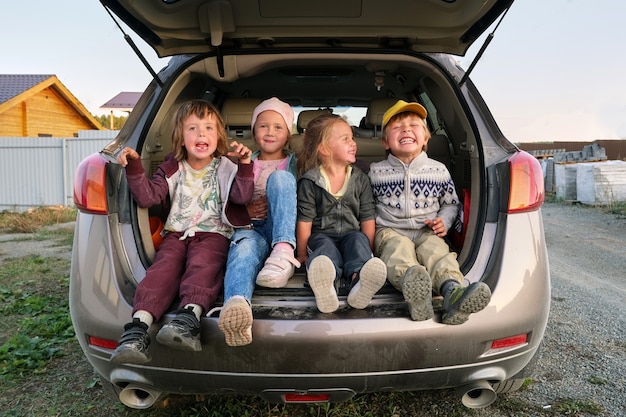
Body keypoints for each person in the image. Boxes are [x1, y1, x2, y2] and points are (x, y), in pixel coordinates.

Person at [110, 99, 254, 364]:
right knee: (161, 270)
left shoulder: (225, 166)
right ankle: (138, 329)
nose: (201, 134)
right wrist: (134, 166)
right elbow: (148, 198)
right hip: (176, 234)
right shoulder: (172, 168)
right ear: (180, 137)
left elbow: (242, 196)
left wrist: (245, 164)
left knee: (204, 265)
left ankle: (188, 318)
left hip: (213, 233)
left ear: (218, 136)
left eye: (209, 128)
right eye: (193, 128)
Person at [368, 100, 491, 324]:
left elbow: (451, 203)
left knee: (437, 252)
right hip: (389, 229)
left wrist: (444, 220)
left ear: (425, 138)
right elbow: (366, 207)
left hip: (428, 229)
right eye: (397, 127)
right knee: (397, 251)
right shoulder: (376, 172)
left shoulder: (438, 170)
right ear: (385, 142)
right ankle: (415, 288)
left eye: (414, 125)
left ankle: (453, 292)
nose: (406, 129)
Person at [214, 97, 300, 347]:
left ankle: (284, 252)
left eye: (278, 127)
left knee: (281, 180)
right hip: (249, 227)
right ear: (253, 130)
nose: (270, 132)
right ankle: (237, 305)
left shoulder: (297, 163)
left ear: (288, 134)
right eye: (263, 126)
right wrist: (246, 208)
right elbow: (225, 199)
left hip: (280, 229)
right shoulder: (241, 161)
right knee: (243, 250)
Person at [296, 113, 386, 313]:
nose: (353, 143)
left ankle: (359, 281)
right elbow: (305, 220)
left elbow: (367, 217)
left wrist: (369, 250)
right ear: (324, 148)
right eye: (345, 139)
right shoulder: (310, 181)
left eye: (352, 138)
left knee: (357, 242)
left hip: (351, 233)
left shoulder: (360, 179)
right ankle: (327, 285)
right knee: (324, 250)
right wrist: (302, 253)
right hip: (321, 234)